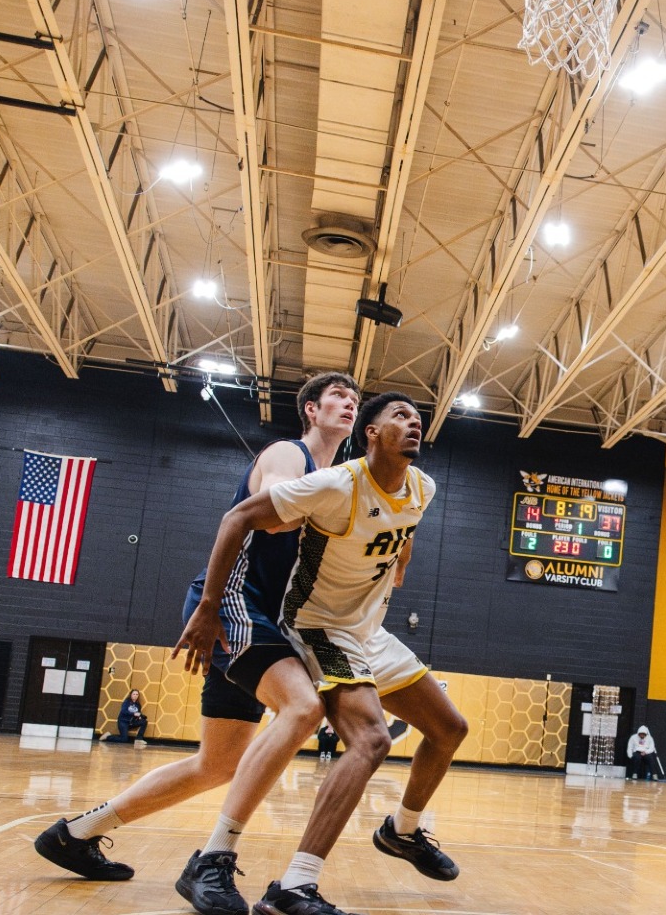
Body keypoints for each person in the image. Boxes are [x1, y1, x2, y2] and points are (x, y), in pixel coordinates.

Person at [33, 373, 361, 908]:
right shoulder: (291, 453)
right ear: (310, 409)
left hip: (273, 623)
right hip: (236, 605)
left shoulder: (339, 477)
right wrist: (210, 607)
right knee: (302, 709)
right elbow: (273, 506)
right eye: (339, 398)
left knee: (217, 765)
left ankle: (74, 834)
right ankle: (213, 859)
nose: (349, 405)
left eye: (355, 400)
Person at [177, 392, 463, 915]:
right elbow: (236, 518)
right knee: (372, 740)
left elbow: (407, 526)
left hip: (369, 631)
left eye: (418, 417)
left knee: (449, 729)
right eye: (399, 415)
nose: (414, 422)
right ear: (371, 433)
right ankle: (295, 885)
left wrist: (399, 565)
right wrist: (209, 606)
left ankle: (401, 831)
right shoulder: (336, 483)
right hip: (321, 627)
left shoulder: (424, 486)